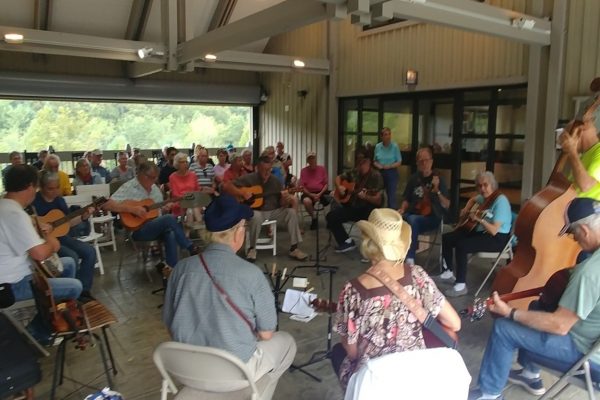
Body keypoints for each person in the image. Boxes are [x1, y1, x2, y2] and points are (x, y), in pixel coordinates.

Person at [162, 194, 297, 400]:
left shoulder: (180, 269)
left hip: (187, 370)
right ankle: (256, 393)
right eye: (244, 227)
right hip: (234, 373)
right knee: (287, 343)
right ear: (238, 233)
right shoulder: (251, 274)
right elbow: (267, 334)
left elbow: (169, 322)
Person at [468, 197, 600, 400]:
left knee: (504, 328)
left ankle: (489, 394)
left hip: (586, 354)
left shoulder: (590, 273)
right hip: (593, 341)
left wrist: (510, 312)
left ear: (584, 230)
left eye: (573, 234)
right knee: (537, 307)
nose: (575, 241)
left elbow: (560, 325)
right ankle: (530, 374)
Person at [332, 208, 461, 390]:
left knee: (338, 353)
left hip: (374, 384)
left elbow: (352, 352)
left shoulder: (352, 290)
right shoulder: (417, 276)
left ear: (367, 240)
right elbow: (455, 323)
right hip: (413, 378)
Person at [0, 165, 82, 343]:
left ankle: (57, 314)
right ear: (30, 186)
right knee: (75, 286)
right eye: (36, 187)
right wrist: (53, 242)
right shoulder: (15, 213)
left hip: (13, 275)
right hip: (12, 285)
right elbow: (39, 254)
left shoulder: (5, 205)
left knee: (68, 263)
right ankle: (38, 332)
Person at [102, 161, 198, 270]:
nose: (153, 181)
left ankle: (171, 269)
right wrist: (132, 209)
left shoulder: (155, 190)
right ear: (141, 174)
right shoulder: (129, 187)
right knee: (170, 219)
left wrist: (165, 208)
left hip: (155, 227)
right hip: (136, 230)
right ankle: (190, 247)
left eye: (155, 178)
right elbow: (106, 205)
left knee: (170, 231)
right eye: (151, 177)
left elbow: (158, 214)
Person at [437, 171, 512, 297]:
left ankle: (460, 285)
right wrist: (467, 209)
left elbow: (494, 230)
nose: (482, 188)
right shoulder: (485, 198)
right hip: (482, 232)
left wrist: (478, 219)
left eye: (485, 185)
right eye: (479, 186)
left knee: (462, 245)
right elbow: (473, 199)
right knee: (448, 238)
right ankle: (447, 272)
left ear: (492, 185)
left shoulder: (500, 201)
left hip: (497, 238)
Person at [222, 155, 307, 262]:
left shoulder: (275, 181)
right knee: (255, 216)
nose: (267, 173)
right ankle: (252, 249)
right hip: (257, 211)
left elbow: (281, 204)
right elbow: (226, 186)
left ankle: (294, 248)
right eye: (264, 170)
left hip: (274, 211)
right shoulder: (249, 178)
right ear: (257, 168)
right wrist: (242, 192)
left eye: (269, 170)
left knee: (291, 212)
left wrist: (285, 198)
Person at [32, 170, 97, 301]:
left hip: (62, 237)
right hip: (45, 242)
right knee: (71, 256)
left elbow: (66, 223)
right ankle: (68, 294)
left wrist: (83, 217)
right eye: (50, 189)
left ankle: (83, 291)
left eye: (57, 187)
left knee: (90, 251)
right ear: (42, 187)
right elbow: (29, 222)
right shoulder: (34, 201)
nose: (55, 191)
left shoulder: (60, 200)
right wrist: (41, 227)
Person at [399, 147, 450, 266]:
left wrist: (437, 190)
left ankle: (410, 258)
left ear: (431, 161)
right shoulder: (414, 178)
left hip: (432, 217)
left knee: (412, 220)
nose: (424, 163)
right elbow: (406, 198)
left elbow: (447, 204)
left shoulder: (439, 179)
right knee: (396, 220)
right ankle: (396, 254)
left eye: (426, 160)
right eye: (420, 161)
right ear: (417, 163)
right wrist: (402, 209)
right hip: (413, 213)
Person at [326, 155, 383, 253]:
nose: (361, 166)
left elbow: (378, 200)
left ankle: (370, 250)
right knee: (331, 216)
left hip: (368, 208)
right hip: (353, 207)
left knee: (368, 221)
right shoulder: (354, 172)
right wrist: (339, 186)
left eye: (363, 163)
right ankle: (346, 242)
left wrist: (366, 197)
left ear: (369, 162)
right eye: (359, 163)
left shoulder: (376, 176)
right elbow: (338, 178)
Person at [559, 94, 600, 200]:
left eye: (569, 135)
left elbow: (585, 185)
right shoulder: (583, 157)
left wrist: (572, 152)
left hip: (589, 215)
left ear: (579, 131)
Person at [299, 152, 329, 230]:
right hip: (308, 193)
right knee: (306, 201)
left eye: (313, 158)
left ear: (316, 159)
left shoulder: (322, 169)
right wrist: (311, 194)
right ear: (307, 161)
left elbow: (326, 184)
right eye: (310, 158)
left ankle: (331, 220)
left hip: (321, 192)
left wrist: (319, 194)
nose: (312, 160)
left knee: (332, 197)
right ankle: (314, 218)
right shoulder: (303, 171)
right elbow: (302, 187)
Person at [374, 127, 402, 209]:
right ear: (381, 137)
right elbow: (374, 161)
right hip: (380, 172)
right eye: (386, 134)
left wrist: (389, 166)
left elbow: (399, 162)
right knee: (378, 194)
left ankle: (392, 216)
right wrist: (379, 166)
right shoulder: (378, 147)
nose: (388, 136)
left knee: (391, 197)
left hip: (391, 172)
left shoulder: (395, 146)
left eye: (389, 134)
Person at [168, 152, 200, 220]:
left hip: (193, 202)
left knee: (191, 210)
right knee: (191, 210)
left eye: (186, 161)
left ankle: (191, 229)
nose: (185, 163)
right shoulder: (172, 177)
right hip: (179, 203)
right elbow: (176, 194)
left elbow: (197, 191)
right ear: (177, 164)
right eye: (182, 162)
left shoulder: (193, 175)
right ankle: (196, 229)